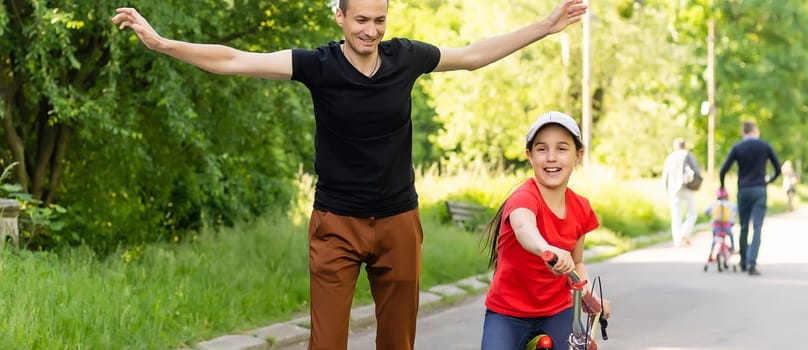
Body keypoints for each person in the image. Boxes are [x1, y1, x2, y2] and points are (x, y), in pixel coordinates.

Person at [112, 1, 588, 349]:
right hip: (336, 224)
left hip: (399, 221)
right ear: (339, 15)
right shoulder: (318, 65)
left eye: (379, 20)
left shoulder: (406, 58)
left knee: (398, 342)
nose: (371, 30)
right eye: (361, 20)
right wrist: (161, 43)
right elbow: (235, 61)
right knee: (327, 342)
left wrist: (545, 27)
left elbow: (473, 54)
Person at [479, 111, 609, 350]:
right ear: (530, 155)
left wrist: (591, 298)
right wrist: (546, 248)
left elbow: (577, 263)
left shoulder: (581, 207)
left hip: (558, 311)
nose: (551, 157)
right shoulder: (524, 198)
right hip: (508, 313)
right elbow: (523, 227)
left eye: (561, 149)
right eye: (541, 149)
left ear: (578, 155)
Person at [718, 121, 781, 276]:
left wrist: (722, 187)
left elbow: (723, 170)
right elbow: (778, 169)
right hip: (759, 189)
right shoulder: (764, 146)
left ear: (743, 132)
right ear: (754, 130)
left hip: (744, 190)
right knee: (758, 227)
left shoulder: (738, 148)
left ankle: (744, 262)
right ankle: (752, 262)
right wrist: (768, 181)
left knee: (744, 226)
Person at [661, 138, 702, 247]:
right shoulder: (688, 155)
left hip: (673, 189)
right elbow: (697, 171)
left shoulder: (671, 157)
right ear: (685, 145)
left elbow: (665, 175)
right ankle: (684, 232)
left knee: (675, 215)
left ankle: (677, 240)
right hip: (688, 186)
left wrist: (666, 191)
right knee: (692, 212)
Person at [704, 188, 738, 262]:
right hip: (727, 227)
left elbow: (706, 211)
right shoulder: (731, 204)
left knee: (714, 240)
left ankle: (711, 254)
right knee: (731, 235)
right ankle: (732, 248)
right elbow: (737, 210)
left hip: (716, 227)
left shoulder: (714, 204)